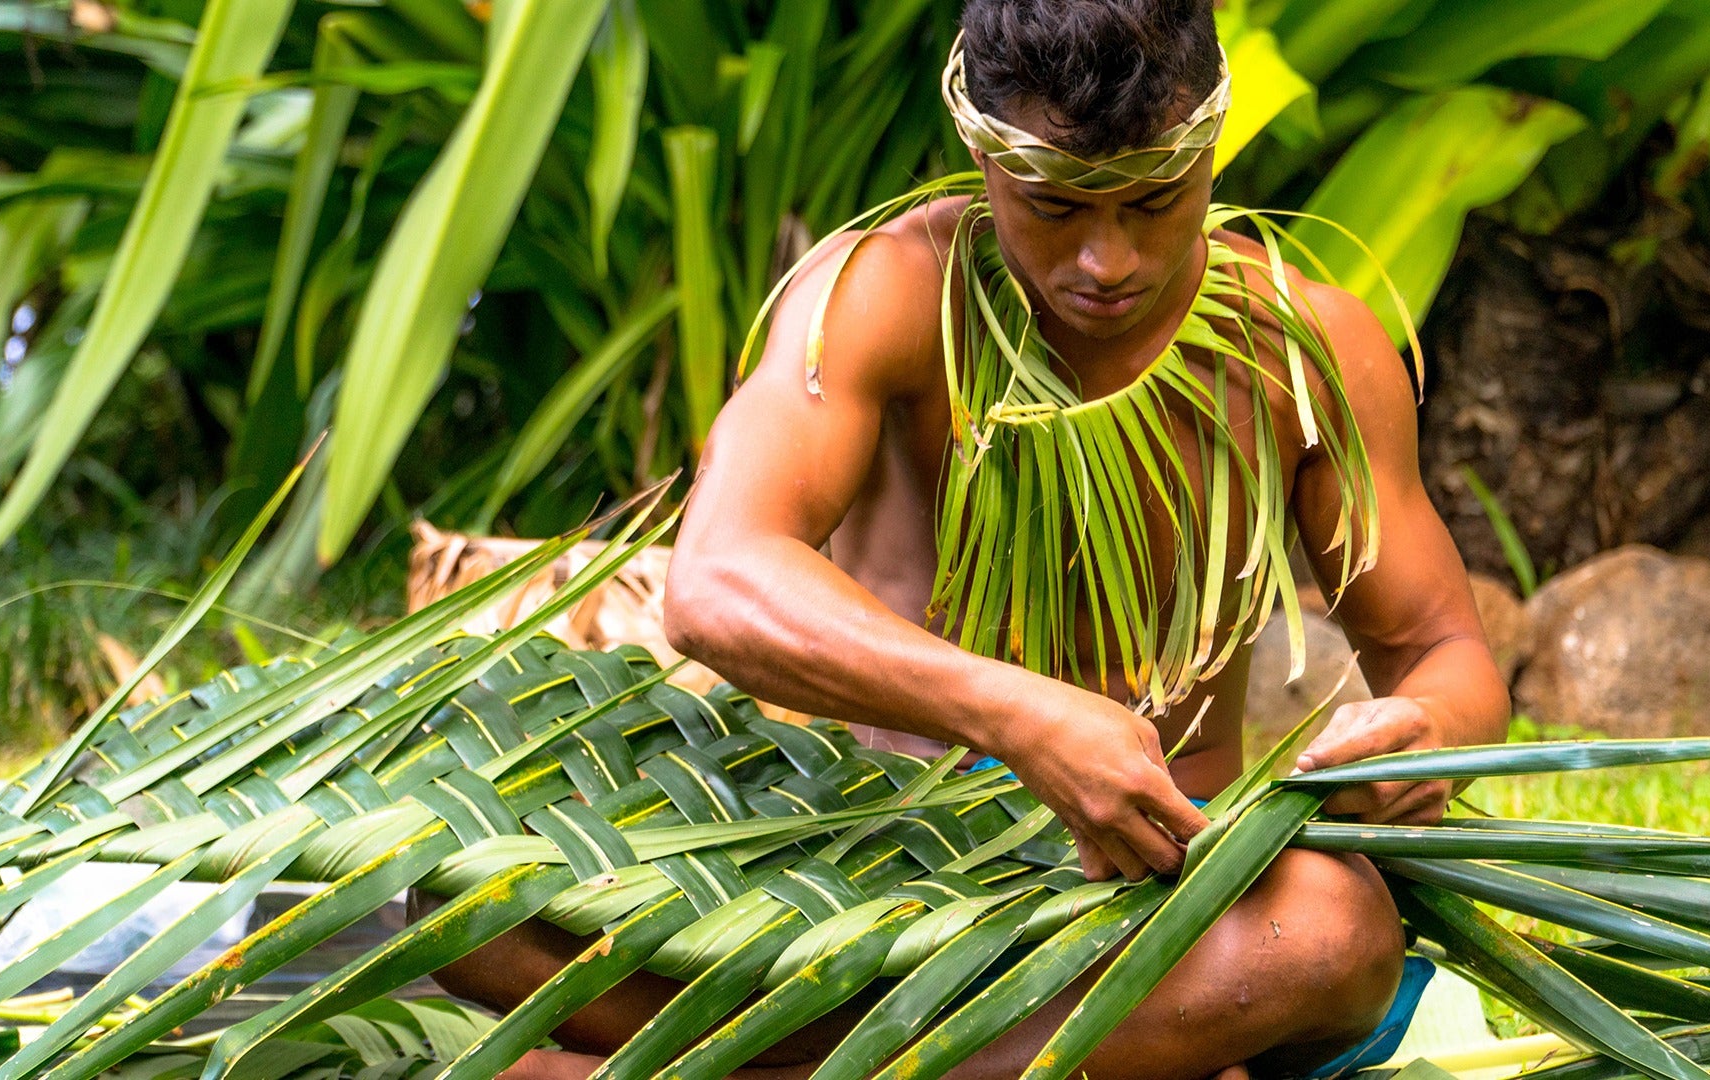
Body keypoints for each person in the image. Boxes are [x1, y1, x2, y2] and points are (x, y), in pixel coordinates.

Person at [425, 1, 1510, 1076]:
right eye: (1051, 206)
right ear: (980, 150)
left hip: (1156, 898)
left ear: (1212, 138)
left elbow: (1446, 655)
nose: (1107, 260)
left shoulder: (1307, 350)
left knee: (1331, 934)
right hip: (870, 880)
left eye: (1152, 200)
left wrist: (1426, 730)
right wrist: (1019, 715)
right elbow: (716, 579)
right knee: (461, 897)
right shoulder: (884, 291)